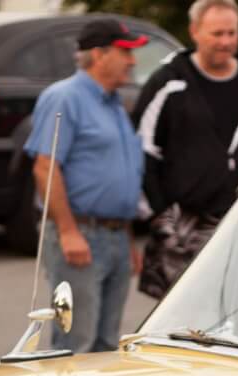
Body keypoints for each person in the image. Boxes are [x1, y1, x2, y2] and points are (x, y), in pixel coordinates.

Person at [133, 0, 238, 298]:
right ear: (195, 32)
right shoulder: (169, 81)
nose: (226, 42)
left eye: (232, 33)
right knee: (180, 324)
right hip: (183, 230)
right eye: (217, 33)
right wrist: (160, 214)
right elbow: (143, 150)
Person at [23, 18, 148, 352]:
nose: (132, 61)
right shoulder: (64, 98)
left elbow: (120, 175)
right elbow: (46, 167)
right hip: (79, 236)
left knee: (106, 346)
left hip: (115, 236)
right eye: (126, 52)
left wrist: (127, 238)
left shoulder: (113, 104)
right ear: (99, 54)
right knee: (76, 343)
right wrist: (67, 231)